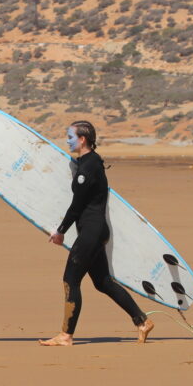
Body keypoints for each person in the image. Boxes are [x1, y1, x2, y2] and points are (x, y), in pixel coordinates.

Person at [39, 121, 154, 346]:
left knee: (70, 279)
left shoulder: (88, 167)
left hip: (91, 231)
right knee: (102, 282)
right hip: (96, 230)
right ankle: (142, 321)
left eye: (70, 137)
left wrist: (60, 231)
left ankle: (66, 335)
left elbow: (76, 205)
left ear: (82, 139)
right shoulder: (89, 163)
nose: (68, 140)